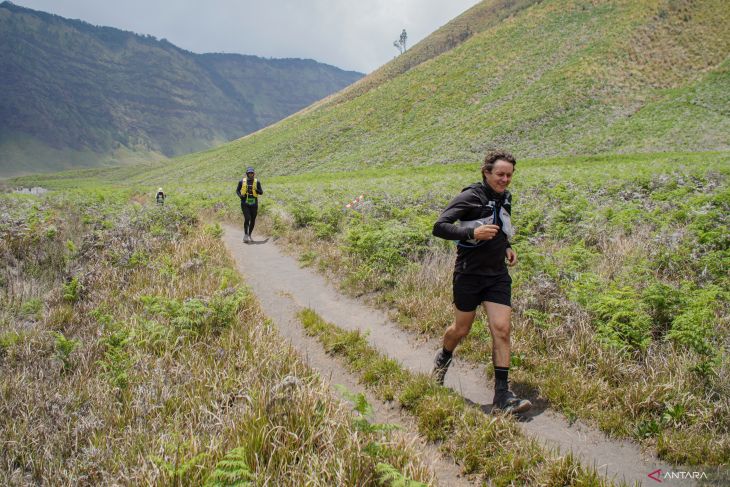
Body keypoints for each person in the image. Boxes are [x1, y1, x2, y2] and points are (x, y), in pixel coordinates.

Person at [431, 150, 531, 414]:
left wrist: (506, 246)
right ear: (486, 172)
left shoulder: (505, 197)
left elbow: (500, 225)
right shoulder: (471, 196)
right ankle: (443, 359)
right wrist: (472, 232)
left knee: (502, 329)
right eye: (500, 174)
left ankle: (502, 395)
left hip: (497, 275)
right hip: (468, 274)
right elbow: (439, 226)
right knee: (460, 329)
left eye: (509, 175)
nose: (505, 179)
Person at [236, 167, 264, 243]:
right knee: (247, 218)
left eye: (252, 173)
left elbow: (261, 192)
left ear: (254, 174)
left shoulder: (257, 182)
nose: (251, 174)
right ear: (247, 174)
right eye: (249, 173)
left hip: (254, 203)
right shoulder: (241, 181)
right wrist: (240, 196)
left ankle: (249, 235)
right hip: (245, 202)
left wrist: (256, 190)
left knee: (253, 219)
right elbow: (237, 190)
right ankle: (245, 235)